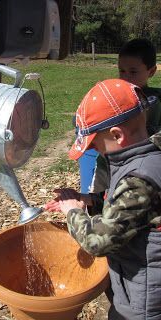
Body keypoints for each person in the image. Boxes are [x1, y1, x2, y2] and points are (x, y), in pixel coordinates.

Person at [45, 78, 161, 319]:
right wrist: (89, 200)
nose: (93, 150)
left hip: (145, 300)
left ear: (117, 135)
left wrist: (72, 212)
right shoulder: (144, 155)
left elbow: (97, 242)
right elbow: (131, 209)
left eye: (95, 144)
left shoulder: (138, 179)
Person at [79, 38, 161, 201]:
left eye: (133, 72)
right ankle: (96, 203)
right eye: (122, 71)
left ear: (151, 72)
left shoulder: (153, 102)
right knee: (100, 194)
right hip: (109, 163)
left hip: (138, 166)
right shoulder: (114, 99)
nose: (125, 77)